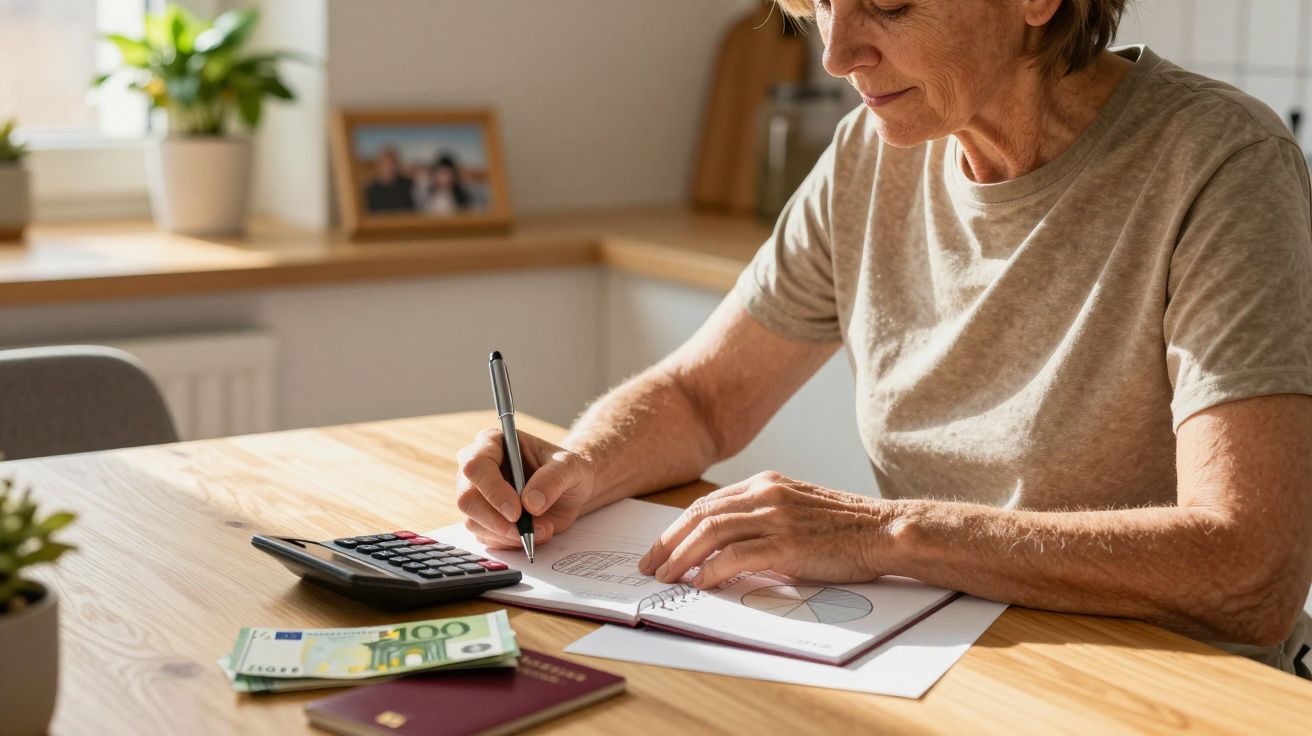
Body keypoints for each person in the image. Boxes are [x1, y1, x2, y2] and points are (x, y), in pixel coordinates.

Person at [455, 0, 1312, 676]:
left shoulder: (1222, 166)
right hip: (957, 666)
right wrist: (579, 468)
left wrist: (885, 535)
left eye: (890, 4)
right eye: (823, 0)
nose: (835, 53)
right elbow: (704, 397)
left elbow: (1250, 568)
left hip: (1171, 690)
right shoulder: (873, 154)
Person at [364, 145, 415, 212]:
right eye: (386, 164)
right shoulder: (370, 190)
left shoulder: (409, 184)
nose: (390, 168)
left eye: (393, 163)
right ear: (378, 166)